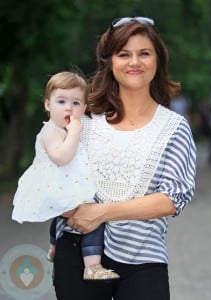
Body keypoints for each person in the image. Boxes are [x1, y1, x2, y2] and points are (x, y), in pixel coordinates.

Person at [53, 17, 196, 300]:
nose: (135, 62)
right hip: (77, 253)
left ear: (158, 60)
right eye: (124, 54)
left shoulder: (174, 127)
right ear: (110, 61)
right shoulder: (83, 118)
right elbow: (51, 172)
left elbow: (172, 198)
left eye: (144, 53)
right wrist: (67, 207)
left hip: (144, 257)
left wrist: (102, 212)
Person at [11, 71, 119, 281]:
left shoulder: (62, 128)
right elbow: (62, 157)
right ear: (47, 105)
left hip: (63, 185)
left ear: (85, 108)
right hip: (58, 187)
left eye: (76, 103)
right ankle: (92, 265)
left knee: (64, 215)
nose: (69, 108)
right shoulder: (51, 131)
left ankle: (53, 246)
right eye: (61, 101)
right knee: (94, 217)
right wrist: (75, 133)